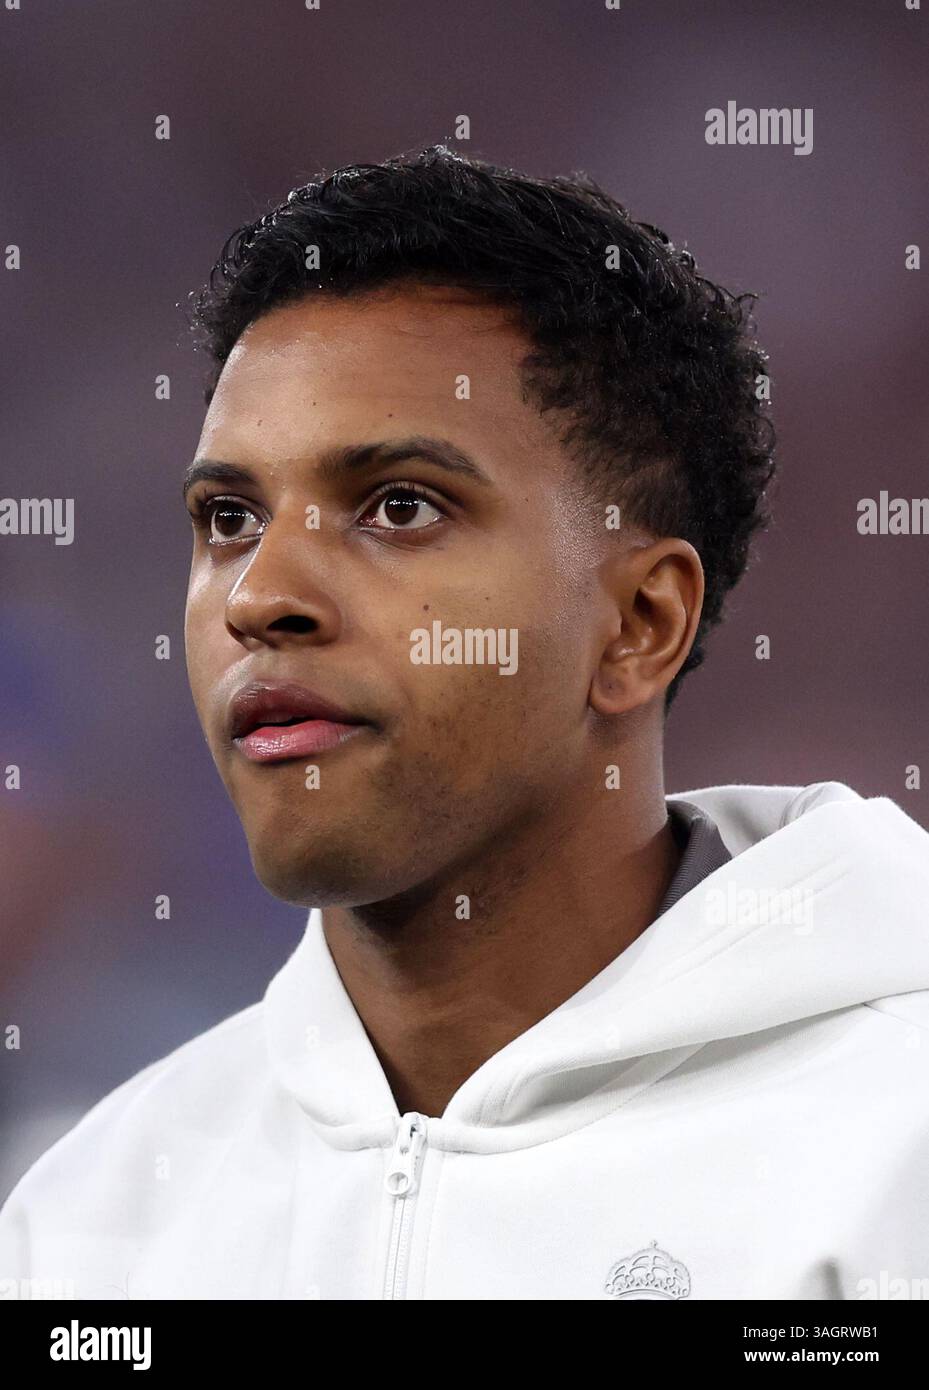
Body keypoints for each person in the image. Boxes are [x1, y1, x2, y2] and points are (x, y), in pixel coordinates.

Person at [2, 146, 927, 1301]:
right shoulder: (86, 1223)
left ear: (639, 622)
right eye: (228, 517)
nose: (257, 596)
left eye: (398, 505)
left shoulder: (895, 1154)